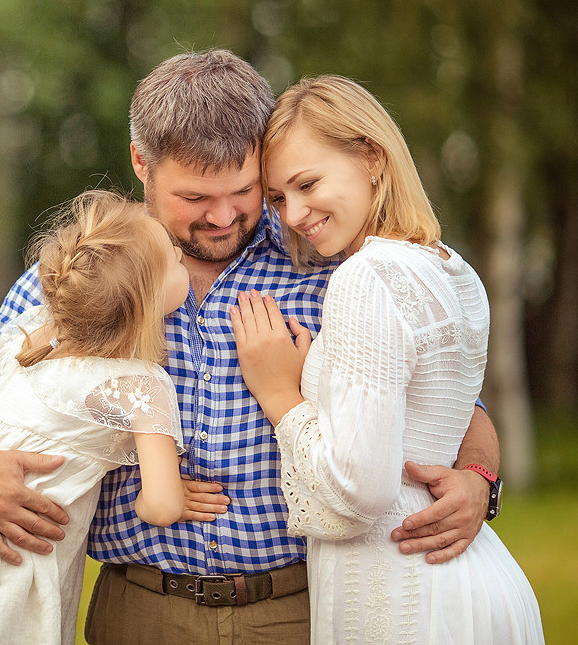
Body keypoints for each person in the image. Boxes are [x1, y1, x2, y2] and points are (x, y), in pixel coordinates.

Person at [0, 50, 503, 645]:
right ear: (141, 163)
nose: (223, 216)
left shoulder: (328, 256)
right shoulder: (91, 270)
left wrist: (478, 477)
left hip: (297, 609)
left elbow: (451, 400)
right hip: (140, 611)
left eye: (245, 191)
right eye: (196, 197)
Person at [230, 74, 543, 643]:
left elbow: (360, 492)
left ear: (373, 158)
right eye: (278, 198)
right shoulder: (451, 268)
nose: (293, 214)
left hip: (404, 598)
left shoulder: (365, 278)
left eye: (307, 184)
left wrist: (280, 396)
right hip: (471, 579)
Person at [0, 190, 190, 645]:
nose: (181, 254)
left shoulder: (31, 339)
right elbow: (163, 506)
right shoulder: (141, 388)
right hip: (20, 569)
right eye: (172, 259)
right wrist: (163, 492)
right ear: (147, 300)